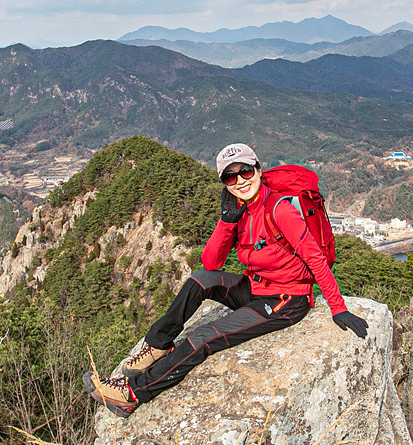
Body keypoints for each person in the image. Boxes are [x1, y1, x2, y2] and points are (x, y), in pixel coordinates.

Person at [83, 142, 369, 417]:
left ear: (258, 170)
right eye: (230, 177)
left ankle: (133, 393)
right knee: (201, 280)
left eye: (245, 171)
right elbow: (211, 263)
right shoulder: (240, 211)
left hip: (285, 300)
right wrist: (227, 221)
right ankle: (159, 345)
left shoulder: (280, 209)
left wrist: (338, 307)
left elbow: (315, 259)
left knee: (204, 336)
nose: (240, 181)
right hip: (255, 288)